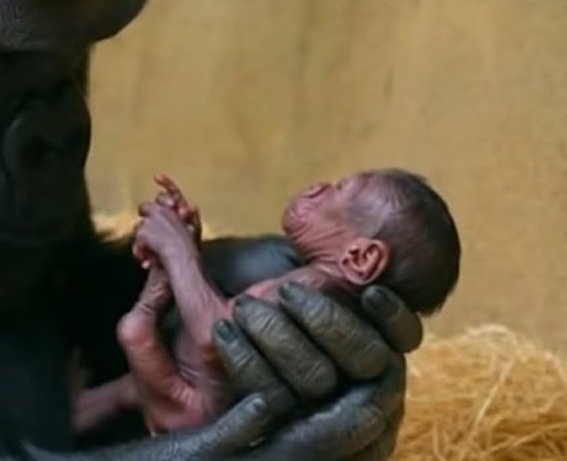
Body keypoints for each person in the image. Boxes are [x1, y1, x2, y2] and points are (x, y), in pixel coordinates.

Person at [73, 170, 461, 435]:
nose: (317, 188)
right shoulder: (321, 287)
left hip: (193, 407)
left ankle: (62, 417)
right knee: (129, 368)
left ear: (360, 258)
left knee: (135, 333)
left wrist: (178, 252)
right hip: (188, 394)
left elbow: (217, 337)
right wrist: (183, 248)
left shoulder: (310, 288)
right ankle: (69, 412)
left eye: (339, 190)